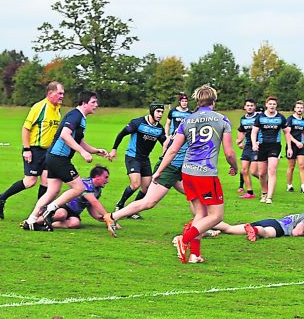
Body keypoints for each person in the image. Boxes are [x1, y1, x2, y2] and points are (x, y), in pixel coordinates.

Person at [155, 84, 238, 264]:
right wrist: (235, 167)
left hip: (187, 173)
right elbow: (229, 152)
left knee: (201, 214)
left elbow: (172, 150)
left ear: (197, 102)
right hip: (206, 174)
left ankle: (195, 254)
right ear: (213, 102)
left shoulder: (187, 121)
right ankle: (183, 239)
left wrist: (159, 171)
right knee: (216, 216)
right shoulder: (222, 120)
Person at [22, 91, 111, 229]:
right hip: (59, 158)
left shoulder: (80, 118)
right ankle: (49, 210)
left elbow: (78, 140)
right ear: (84, 103)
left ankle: (31, 221)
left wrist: (94, 151)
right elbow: (65, 135)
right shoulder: (75, 115)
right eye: (93, 102)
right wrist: (82, 152)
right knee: (79, 187)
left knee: (52, 191)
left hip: (52, 157)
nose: (96, 105)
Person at [0, 82, 64, 220]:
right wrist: (27, 149)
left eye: (63, 93)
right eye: (59, 93)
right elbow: (26, 128)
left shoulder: (57, 109)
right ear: (50, 94)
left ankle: (39, 213)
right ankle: (1, 198)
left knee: (46, 181)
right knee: (30, 181)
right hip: (34, 150)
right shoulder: (39, 107)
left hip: (48, 152)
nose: (62, 96)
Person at [104, 139, 189, 236]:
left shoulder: (188, 125)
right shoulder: (191, 125)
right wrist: (160, 170)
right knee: (149, 202)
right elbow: (172, 149)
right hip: (170, 168)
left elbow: (166, 142)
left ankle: (200, 225)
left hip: (178, 168)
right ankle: (112, 217)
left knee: (194, 194)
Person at [109, 102, 167, 210]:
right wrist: (114, 149)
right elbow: (122, 134)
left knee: (146, 188)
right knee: (135, 184)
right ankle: (120, 205)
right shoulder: (138, 123)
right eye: (158, 111)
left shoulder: (159, 128)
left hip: (145, 159)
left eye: (162, 112)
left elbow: (165, 142)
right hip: (132, 157)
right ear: (152, 111)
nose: (160, 114)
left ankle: (132, 209)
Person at [42, 166, 111, 230]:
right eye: (106, 177)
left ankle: (50, 223)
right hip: (64, 206)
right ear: (97, 176)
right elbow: (94, 202)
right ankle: (38, 221)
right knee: (61, 215)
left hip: (74, 213)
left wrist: (97, 216)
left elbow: (90, 205)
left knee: (75, 224)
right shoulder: (85, 184)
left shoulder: (98, 190)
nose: (107, 181)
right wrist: (108, 217)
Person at [251, 96, 288, 204]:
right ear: (266, 104)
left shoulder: (280, 117)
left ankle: (269, 197)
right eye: (270, 104)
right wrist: (254, 143)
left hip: (275, 146)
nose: (272, 106)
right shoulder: (260, 117)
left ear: (276, 106)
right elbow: (254, 132)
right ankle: (264, 192)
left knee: (272, 170)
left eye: (274, 104)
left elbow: (286, 132)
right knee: (262, 173)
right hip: (262, 146)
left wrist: (289, 147)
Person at [210, 204, 304, 240]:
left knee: (231, 229)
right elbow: (296, 233)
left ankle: (208, 224)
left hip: (271, 221)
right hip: (279, 229)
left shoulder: (299, 216)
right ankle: (254, 230)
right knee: (266, 234)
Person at [284, 100, 304, 193]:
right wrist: (295, 142)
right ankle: (289, 185)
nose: (300, 109)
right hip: (291, 146)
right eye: (298, 107)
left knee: (302, 165)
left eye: (301, 108)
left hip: (300, 146)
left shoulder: (303, 121)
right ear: (294, 109)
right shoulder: (290, 119)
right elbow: (287, 133)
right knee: (291, 167)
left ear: (303, 109)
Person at [236, 99, 260, 199]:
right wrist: (239, 141)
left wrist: (260, 141)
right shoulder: (243, 119)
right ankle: (250, 193)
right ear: (245, 107)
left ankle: (266, 182)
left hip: (257, 146)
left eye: (251, 105)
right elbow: (242, 131)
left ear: (254, 107)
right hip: (247, 146)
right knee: (244, 170)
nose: (249, 107)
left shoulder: (259, 117)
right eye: (248, 105)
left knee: (254, 172)